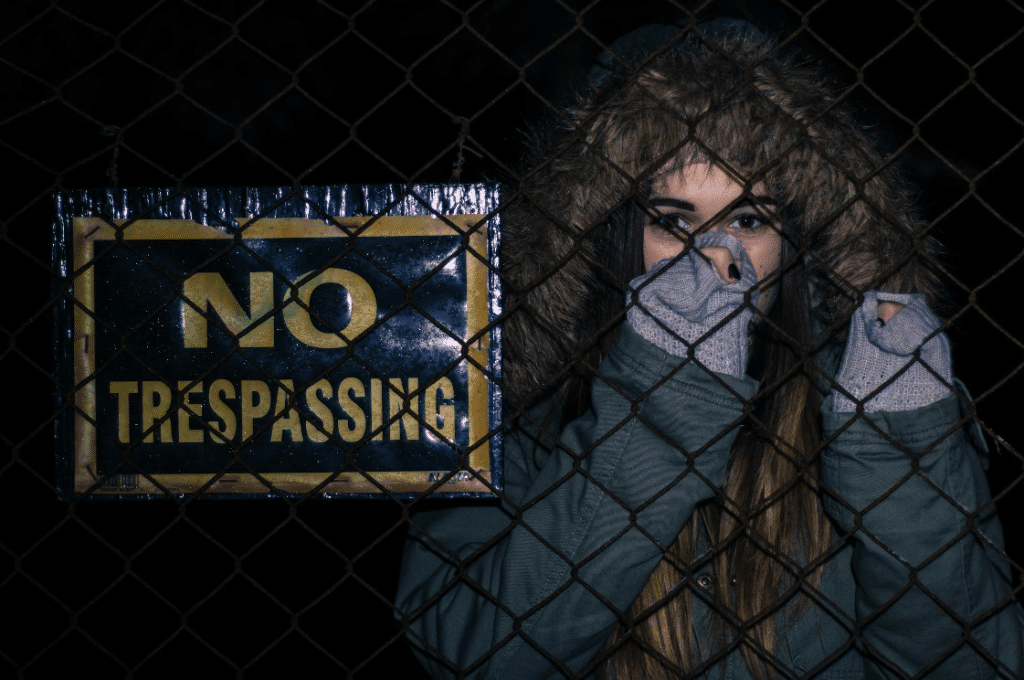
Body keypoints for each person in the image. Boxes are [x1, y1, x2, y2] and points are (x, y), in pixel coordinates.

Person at [396, 19, 1024, 679]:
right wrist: (661, 407)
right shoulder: (518, 417)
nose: (716, 258)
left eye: (749, 221)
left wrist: (896, 455)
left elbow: (970, 664)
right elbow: (476, 656)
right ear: (608, 236)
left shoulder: (875, 403)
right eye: (674, 222)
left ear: (799, 242)